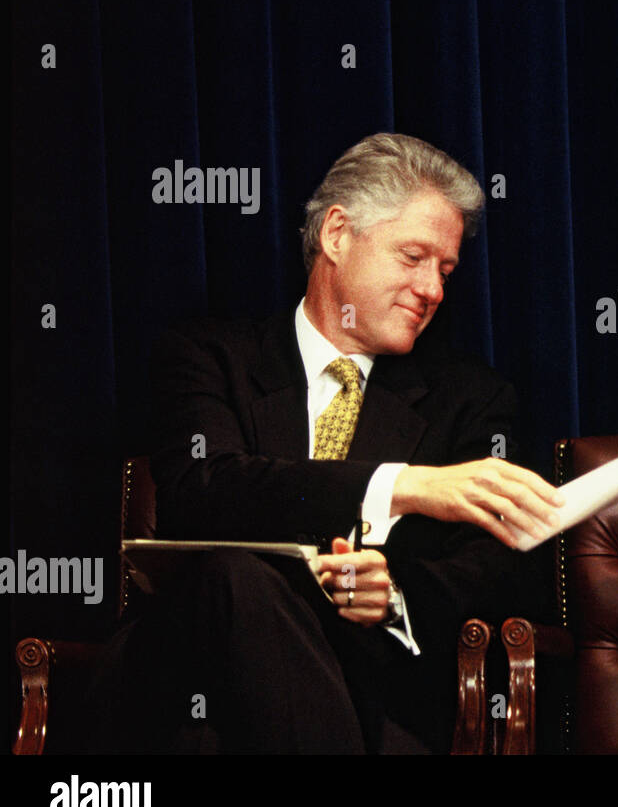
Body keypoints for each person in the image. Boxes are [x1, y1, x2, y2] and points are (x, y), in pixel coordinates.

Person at [93, 133, 563, 753]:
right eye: (413, 257)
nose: (433, 290)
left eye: (445, 270)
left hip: (366, 694)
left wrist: (391, 596)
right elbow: (203, 493)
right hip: (191, 683)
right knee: (237, 573)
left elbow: (497, 574)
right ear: (337, 235)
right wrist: (400, 486)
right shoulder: (210, 358)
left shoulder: (471, 401)